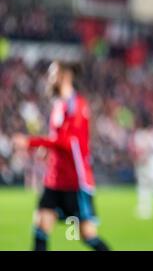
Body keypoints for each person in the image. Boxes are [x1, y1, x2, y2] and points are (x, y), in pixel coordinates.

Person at [12, 60, 110, 251]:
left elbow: (67, 142)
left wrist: (31, 142)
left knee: (87, 234)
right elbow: (57, 141)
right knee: (40, 225)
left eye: (52, 74)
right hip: (54, 180)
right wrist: (47, 150)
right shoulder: (59, 104)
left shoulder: (77, 105)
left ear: (64, 77)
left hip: (75, 180)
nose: (49, 79)